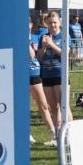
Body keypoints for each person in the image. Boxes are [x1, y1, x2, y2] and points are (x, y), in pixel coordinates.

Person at [37, 10, 71, 145]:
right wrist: (44, 47)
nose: (52, 25)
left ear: (60, 23)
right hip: (46, 75)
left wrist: (51, 44)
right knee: (53, 107)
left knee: (64, 106)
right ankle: (58, 135)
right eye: (50, 23)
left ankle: (70, 134)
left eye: (55, 23)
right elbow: (39, 56)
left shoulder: (64, 35)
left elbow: (65, 54)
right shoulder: (43, 37)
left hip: (60, 74)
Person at [28, 17, 56, 145]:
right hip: (20, 74)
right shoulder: (16, 37)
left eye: (27, 24)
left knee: (43, 104)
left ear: (31, 24)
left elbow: (34, 55)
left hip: (35, 73)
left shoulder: (36, 36)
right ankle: (26, 134)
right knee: (23, 106)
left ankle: (53, 132)